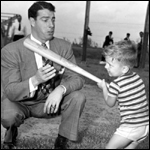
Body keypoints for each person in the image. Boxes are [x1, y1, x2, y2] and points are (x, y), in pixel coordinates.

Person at [1, 1, 86, 149]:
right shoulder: (11, 50)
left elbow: (77, 78)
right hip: (22, 103)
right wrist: (35, 80)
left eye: (53, 19)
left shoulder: (63, 47)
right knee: (8, 114)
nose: (51, 25)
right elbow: (11, 91)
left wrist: (60, 90)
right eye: (45, 20)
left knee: (78, 97)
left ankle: (61, 141)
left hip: (50, 103)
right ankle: (10, 134)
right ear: (32, 21)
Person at [97, 40, 149, 149]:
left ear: (124, 69)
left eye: (110, 65)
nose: (106, 67)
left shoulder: (116, 84)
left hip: (131, 126)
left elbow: (110, 103)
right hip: (144, 125)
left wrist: (104, 88)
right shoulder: (137, 77)